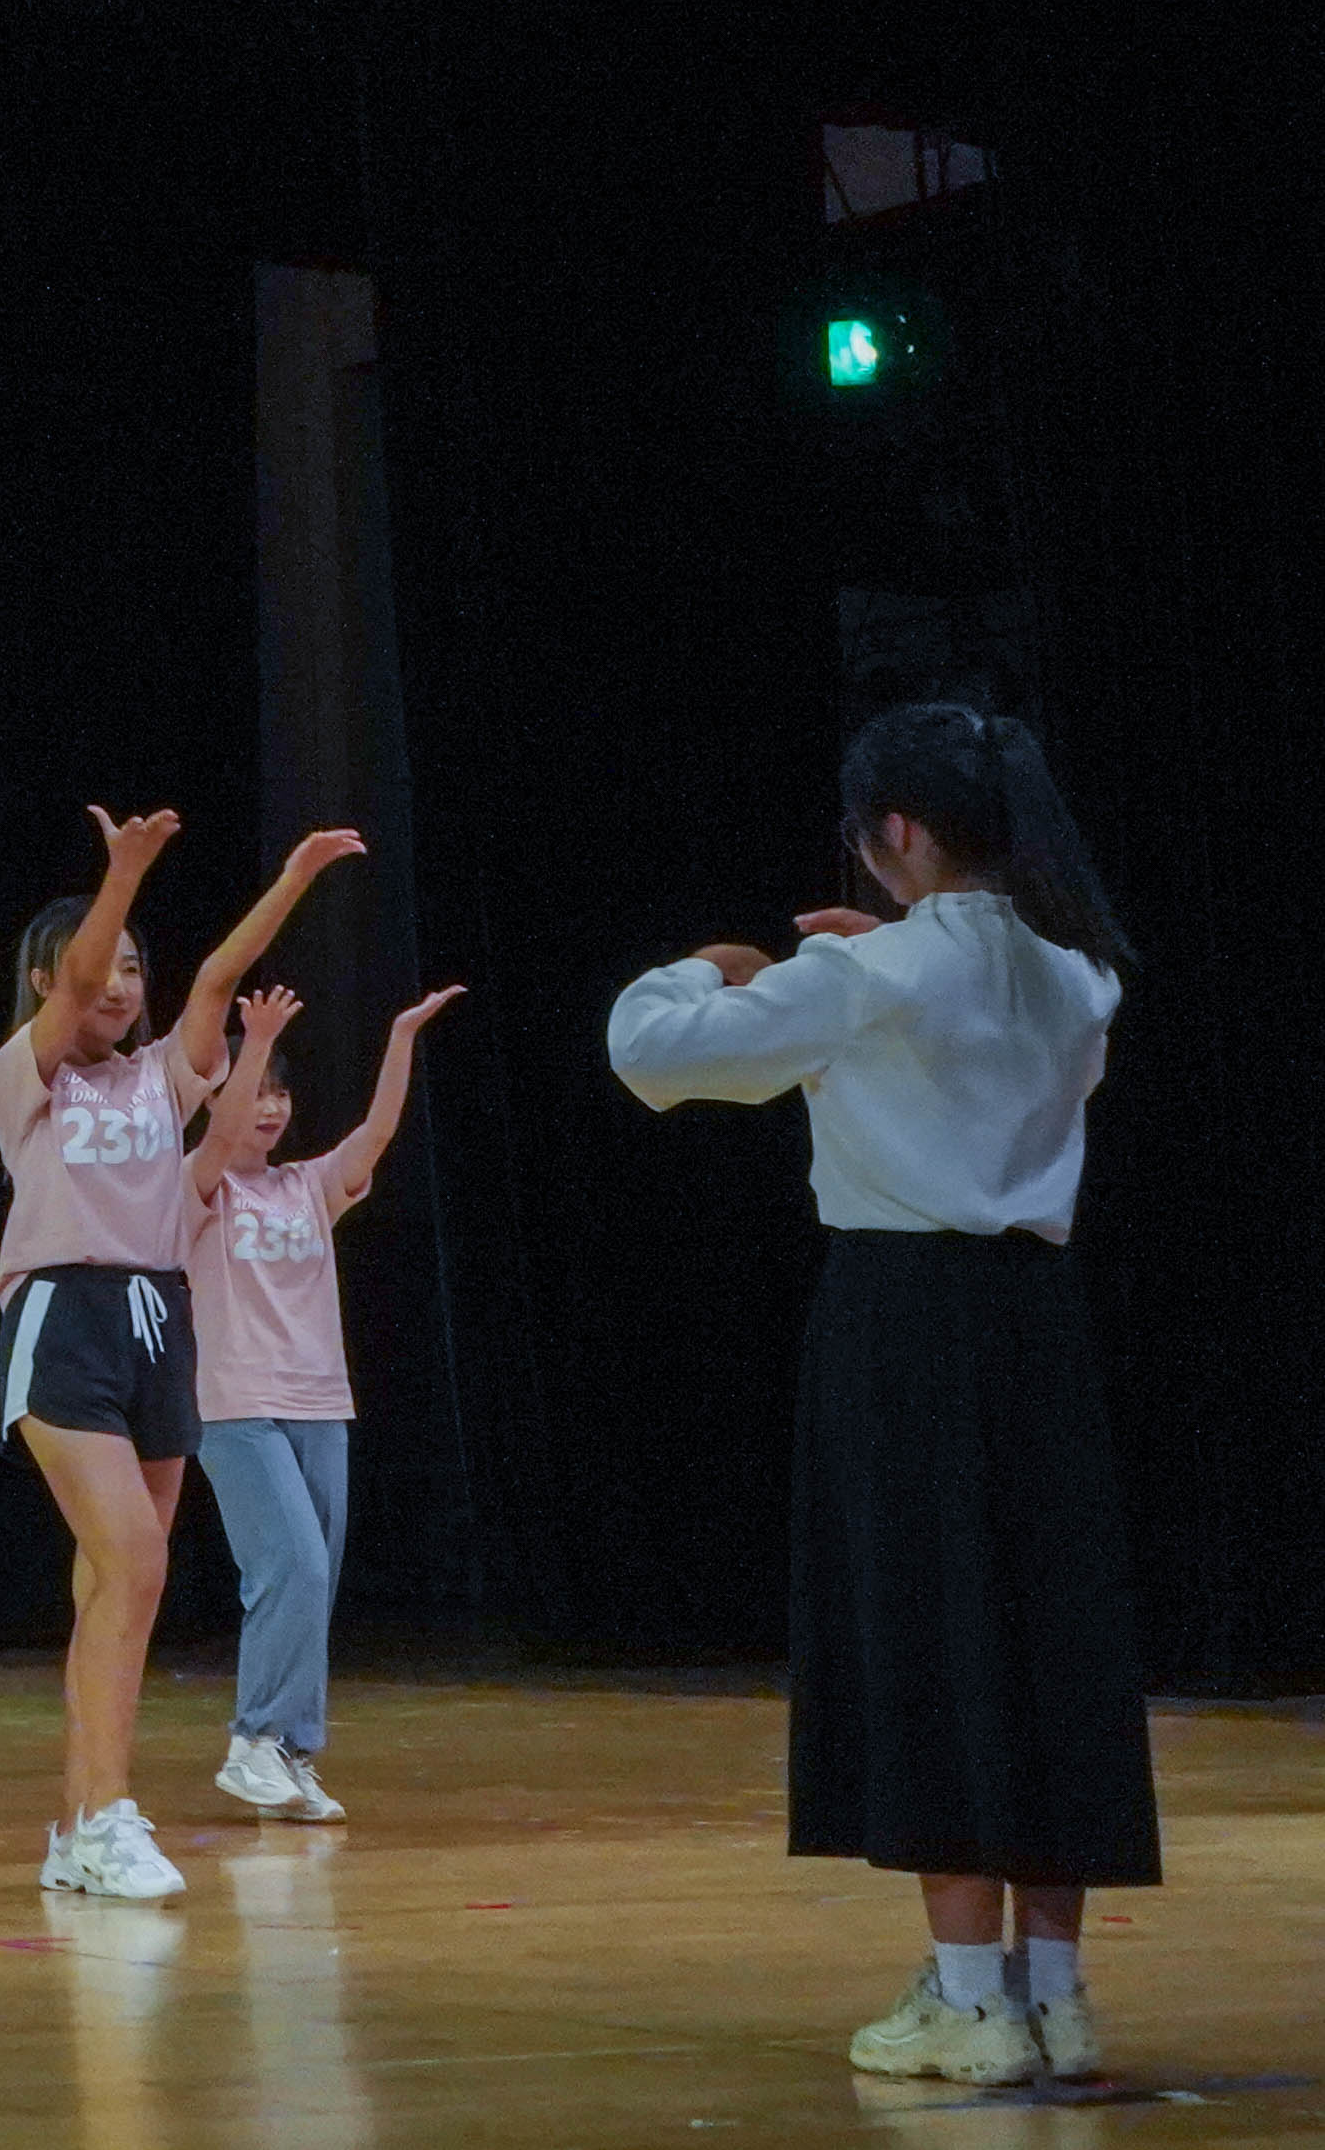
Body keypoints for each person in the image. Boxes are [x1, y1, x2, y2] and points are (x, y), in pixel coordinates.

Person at [608, 702, 1147, 2088]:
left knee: (932, 1633)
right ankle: (1054, 1995)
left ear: (893, 829)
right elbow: (965, 1015)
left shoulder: (866, 974)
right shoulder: (1079, 971)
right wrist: (868, 968)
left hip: (903, 1325)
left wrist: (713, 966)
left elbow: (652, 1049)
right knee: (1039, 1637)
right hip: (1035, 1325)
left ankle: (968, 2001)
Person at [0, 808, 362, 1902]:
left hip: (157, 1316)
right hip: (63, 1309)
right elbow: (78, 980)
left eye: (131, 968)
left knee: (116, 1582)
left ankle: (77, 1826)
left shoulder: (161, 1075)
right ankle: (107, 1815)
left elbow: (216, 979)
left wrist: (292, 876)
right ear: (47, 981)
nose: (117, 982)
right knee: (137, 1560)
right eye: (99, 966)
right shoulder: (19, 1074)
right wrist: (124, 875)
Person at [183, 978, 460, 1826]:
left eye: (279, 1093)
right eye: (255, 1092)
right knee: (292, 1565)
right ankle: (253, 1740)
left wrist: (401, 1037)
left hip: (320, 1402)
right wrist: (256, 1040)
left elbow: (376, 1132)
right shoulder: (197, 1187)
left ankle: (292, 1750)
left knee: (316, 1579)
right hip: (238, 1405)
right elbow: (219, 1137)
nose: (269, 1107)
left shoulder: (306, 1184)